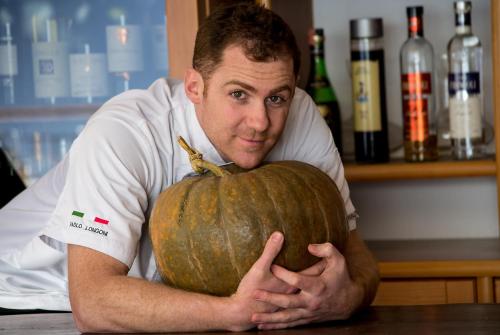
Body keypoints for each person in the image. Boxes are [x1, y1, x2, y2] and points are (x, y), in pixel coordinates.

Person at [0, 3, 379, 332]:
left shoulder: (298, 113)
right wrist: (233, 311)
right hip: (32, 302)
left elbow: (353, 249)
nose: (261, 121)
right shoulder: (125, 133)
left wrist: (349, 296)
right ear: (194, 87)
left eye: (276, 98)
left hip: (172, 307)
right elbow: (93, 302)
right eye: (238, 95)